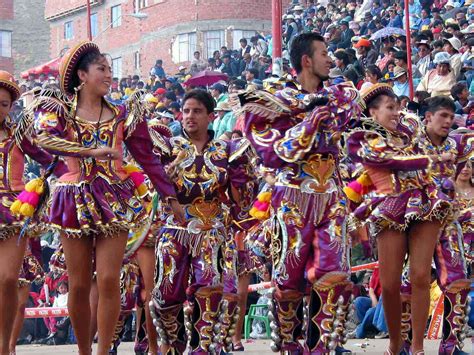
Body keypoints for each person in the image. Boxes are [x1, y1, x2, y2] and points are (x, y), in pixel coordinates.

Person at [30, 41, 183, 355]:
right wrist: (90, 151)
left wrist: (170, 197)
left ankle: (102, 353)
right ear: (82, 75)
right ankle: (84, 351)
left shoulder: (123, 114)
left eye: (111, 69)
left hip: (114, 198)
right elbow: (45, 140)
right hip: (73, 199)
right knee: (81, 283)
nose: (109, 75)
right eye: (102, 68)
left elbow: (148, 157)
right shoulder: (60, 111)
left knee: (111, 278)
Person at [240, 32, 361, 353]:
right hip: (291, 198)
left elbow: (353, 115)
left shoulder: (339, 97)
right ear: (306, 60)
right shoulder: (271, 102)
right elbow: (270, 153)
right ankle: (290, 346)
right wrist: (308, 124)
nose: (330, 60)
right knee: (289, 278)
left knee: (333, 273)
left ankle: (322, 345)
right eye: (324, 53)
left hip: (331, 198)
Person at [346, 84, 454, 354]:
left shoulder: (410, 125)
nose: (396, 112)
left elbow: (429, 142)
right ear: (373, 112)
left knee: (419, 276)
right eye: (389, 108)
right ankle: (396, 343)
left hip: (424, 201)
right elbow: (372, 174)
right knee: (390, 283)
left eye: (397, 106)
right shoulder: (365, 140)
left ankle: (417, 346)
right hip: (389, 206)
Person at [149, 89, 257, 354]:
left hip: (212, 230)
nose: (189, 116)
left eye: (196, 111)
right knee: (165, 293)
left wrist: (238, 180)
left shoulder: (227, 150)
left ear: (210, 116)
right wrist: (164, 175)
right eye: (186, 111)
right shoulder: (167, 147)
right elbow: (151, 182)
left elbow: (243, 195)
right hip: (174, 230)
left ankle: (203, 348)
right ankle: (172, 345)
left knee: (210, 289)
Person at [0, 70, 67, 355]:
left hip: (13, 213)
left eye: (4, 103)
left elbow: (50, 159)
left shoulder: (19, 135)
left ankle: (6, 347)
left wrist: (70, 177)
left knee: (8, 281)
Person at [400, 96, 473, 355]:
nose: (448, 122)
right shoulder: (409, 141)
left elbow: (458, 169)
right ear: (427, 117)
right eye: (443, 116)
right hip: (415, 222)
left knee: (458, 281)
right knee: (408, 285)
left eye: (451, 118)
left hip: (446, 222)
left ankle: (450, 346)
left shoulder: (457, 144)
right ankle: (404, 345)